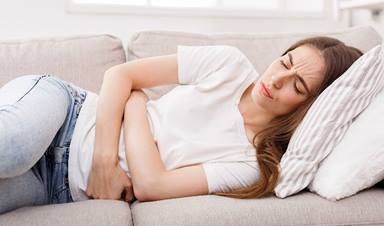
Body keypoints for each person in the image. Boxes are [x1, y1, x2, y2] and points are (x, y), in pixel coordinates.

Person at [0, 36, 362, 214]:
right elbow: (119, 75)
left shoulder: (253, 164)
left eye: (298, 86)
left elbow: (152, 185)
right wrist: (103, 160)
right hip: (69, 112)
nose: (278, 79)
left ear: (312, 108)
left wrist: (137, 102)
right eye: (286, 61)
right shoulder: (228, 64)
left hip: (57, 189)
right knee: (10, 150)